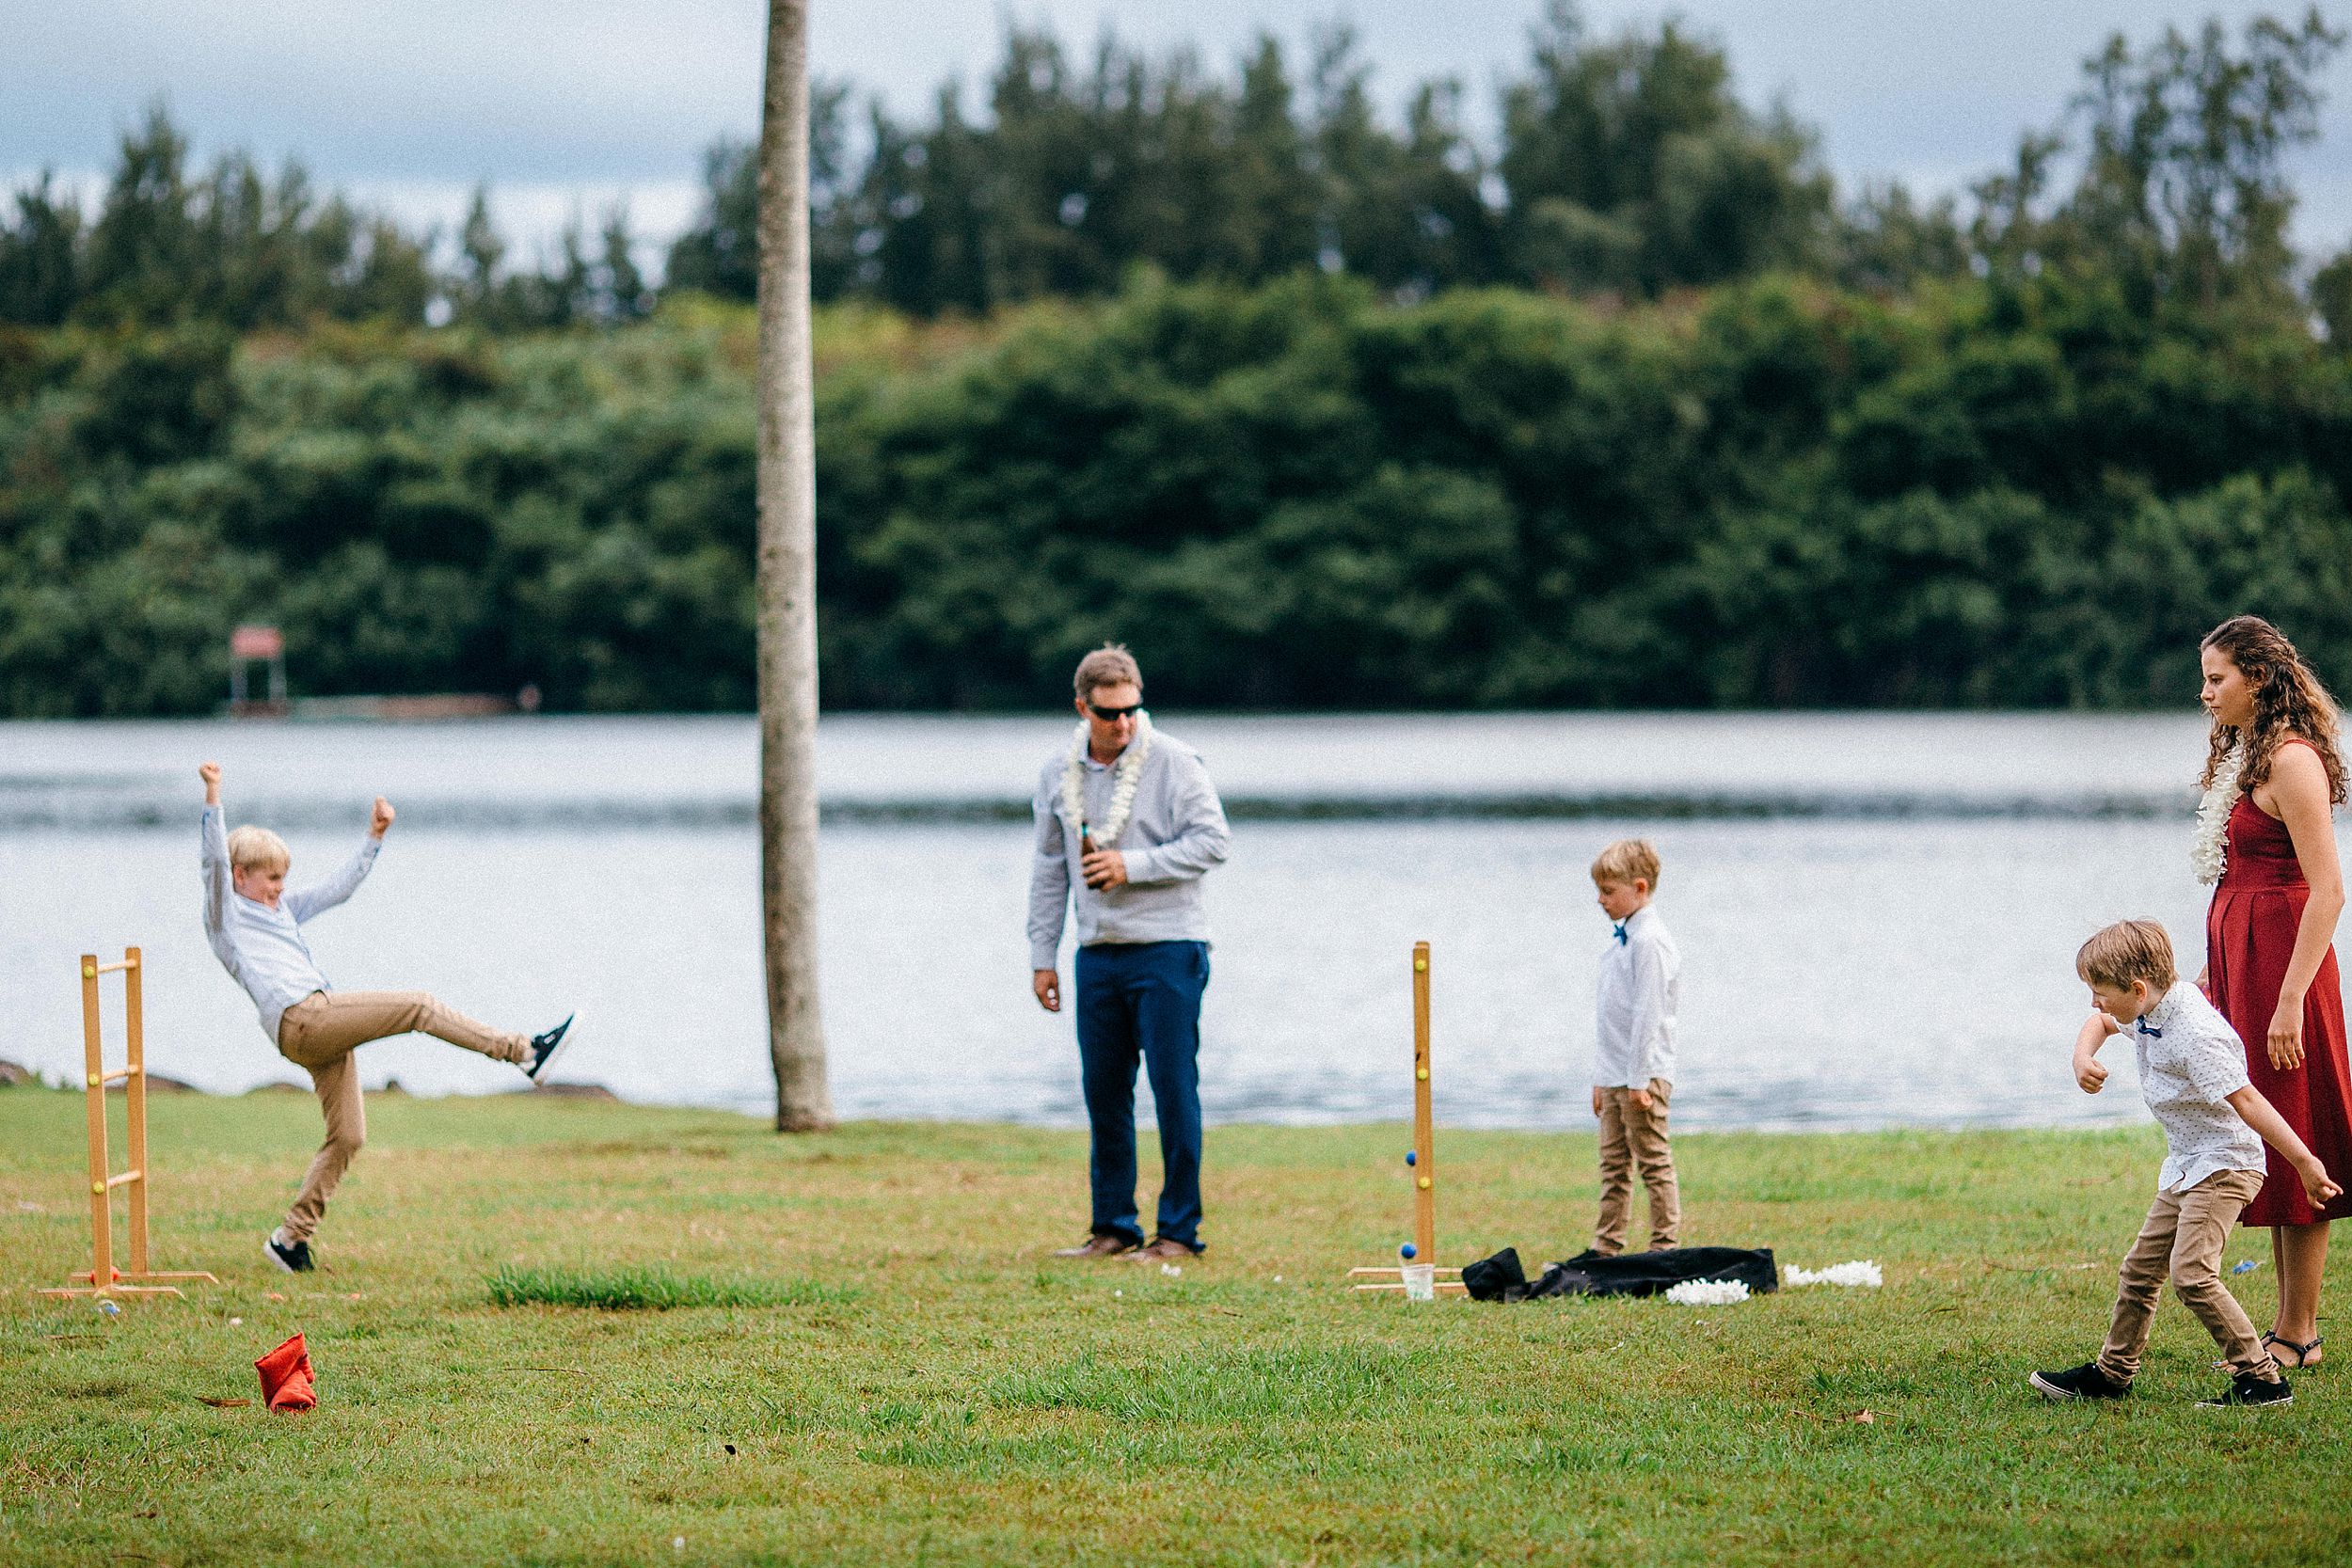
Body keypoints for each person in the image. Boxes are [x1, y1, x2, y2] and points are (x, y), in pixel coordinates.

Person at [199, 762, 572, 1273]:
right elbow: (212, 867)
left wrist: (374, 838)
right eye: (271, 879)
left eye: (285, 879)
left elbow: (339, 888)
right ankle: (523, 1052)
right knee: (418, 1005)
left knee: (349, 1136)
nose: (281, 888)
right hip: (302, 1019)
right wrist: (213, 796)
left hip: (316, 1025)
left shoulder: (279, 911)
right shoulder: (227, 918)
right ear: (241, 876)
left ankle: (290, 1239)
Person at [2032, 920, 2340, 1408]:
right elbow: (2101, 1025)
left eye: (2100, 992)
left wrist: (2304, 1163)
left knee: (2193, 1273)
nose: (2095, 1003)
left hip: (2226, 1164)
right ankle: (2113, 1374)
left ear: (2136, 988)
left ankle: (2262, 1379)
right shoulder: (2148, 1007)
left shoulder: (2194, 1033)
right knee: (2139, 1271)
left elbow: (2249, 1101)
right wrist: (2081, 1057)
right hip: (2187, 1165)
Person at [1027, 646, 1231, 1262]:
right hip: (1098, 954)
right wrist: (1043, 953)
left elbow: (1214, 841)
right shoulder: (1057, 773)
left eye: (1132, 710)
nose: (1123, 724)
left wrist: (1130, 865)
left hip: (1169, 947)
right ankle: (1113, 1225)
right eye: (1110, 713)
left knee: (1173, 1090)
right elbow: (1049, 867)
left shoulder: (1174, 760)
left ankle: (1179, 1233)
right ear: (1082, 707)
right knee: (1105, 1093)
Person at [2194, 615, 2352, 1369]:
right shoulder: (2245, 753)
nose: (2206, 692)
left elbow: (2328, 890)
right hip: (2243, 966)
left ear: (2257, 677)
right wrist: (2211, 973)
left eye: (2217, 678)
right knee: (2269, 1134)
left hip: (2287, 969)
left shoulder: (2292, 760)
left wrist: (2290, 1000)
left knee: (2300, 1133)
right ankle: (2289, 1322)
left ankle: (2301, 1331)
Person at [1588, 838, 1681, 1255]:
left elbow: (1648, 1015)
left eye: (1609, 892)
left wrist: (1639, 1081)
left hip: (1642, 1076)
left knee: (1653, 1163)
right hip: (1614, 1074)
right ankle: (1607, 1247)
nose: (1600, 900)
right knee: (1613, 1166)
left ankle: (1664, 1246)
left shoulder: (1650, 942)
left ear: (1639, 888)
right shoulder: (1621, 940)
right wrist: (1601, 1078)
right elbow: (1611, 1019)